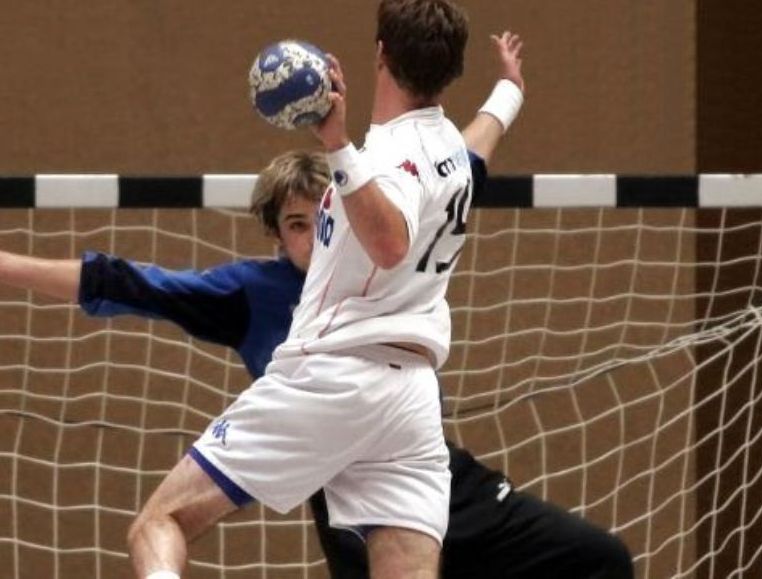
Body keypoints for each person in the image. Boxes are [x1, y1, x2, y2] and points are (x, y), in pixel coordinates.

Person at [0, 30, 634, 579]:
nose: (317, 234)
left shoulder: (383, 211)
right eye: (298, 224)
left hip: (416, 448)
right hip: (339, 466)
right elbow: (122, 282)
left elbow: (465, 159)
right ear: (278, 234)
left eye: (321, 216)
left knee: (597, 557)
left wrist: (509, 92)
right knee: (172, 520)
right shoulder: (254, 291)